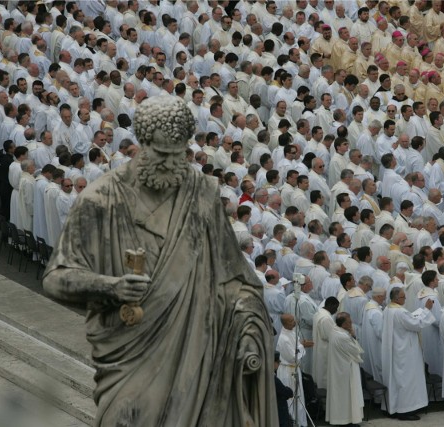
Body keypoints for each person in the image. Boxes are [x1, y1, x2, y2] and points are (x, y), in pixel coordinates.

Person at [43, 96, 276, 425]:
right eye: (162, 154)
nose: (171, 164)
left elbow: (234, 278)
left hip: (197, 358)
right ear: (142, 144)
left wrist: (248, 321)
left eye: (178, 155)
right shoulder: (101, 199)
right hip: (129, 358)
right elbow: (55, 277)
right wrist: (111, 286)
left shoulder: (202, 194)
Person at [381, 287, 435, 420]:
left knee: (398, 379)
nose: (405, 299)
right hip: (406, 351)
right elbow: (416, 324)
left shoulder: (388, 309)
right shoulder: (400, 312)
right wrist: (427, 309)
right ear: (396, 298)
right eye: (403, 297)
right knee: (407, 380)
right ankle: (405, 410)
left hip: (396, 349)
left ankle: (394, 406)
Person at [325, 312, 365, 426]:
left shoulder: (334, 330)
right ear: (342, 324)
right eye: (349, 322)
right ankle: (348, 420)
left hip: (340, 368)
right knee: (348, 395)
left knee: (341, 396)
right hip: (346, 370)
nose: (351, 323)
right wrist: (353, 336)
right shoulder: (342, 336)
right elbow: (356, 350)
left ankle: (344, 419)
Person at [277, 314, 311, 426]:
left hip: (294, 370)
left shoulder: (290, 332)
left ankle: (300, 422)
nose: (294, 322)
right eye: (291, 321)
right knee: (290, 398)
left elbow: (296, 347)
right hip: (287, 371)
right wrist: (302, 346)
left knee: (299, 397)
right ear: (285, 323)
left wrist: (301, 345)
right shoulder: (284, 338)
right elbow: (293, 357)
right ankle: (291, 422)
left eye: (293, 319)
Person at [312, 296, 340, 390]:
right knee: (324, 372)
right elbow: (330, 336)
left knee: (319, 369)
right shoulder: (326, 318)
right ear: (330, 305)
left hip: (318, 345)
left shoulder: (319, 313)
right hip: (325, 348)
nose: (336, 310)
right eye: (335, 307)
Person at [361, 287, 386, 384]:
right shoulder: (375, 312)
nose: (384, 299)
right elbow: (381, 332)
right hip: (377, 345)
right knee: (380, 369)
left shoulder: (369, 306)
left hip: (371, 342)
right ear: (379, 296)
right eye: (384, 297)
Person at [274, 351, 294, 427]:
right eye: (278, 362)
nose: (279, 364)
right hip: (279, 415)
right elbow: (287, 392)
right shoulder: (273, 379)